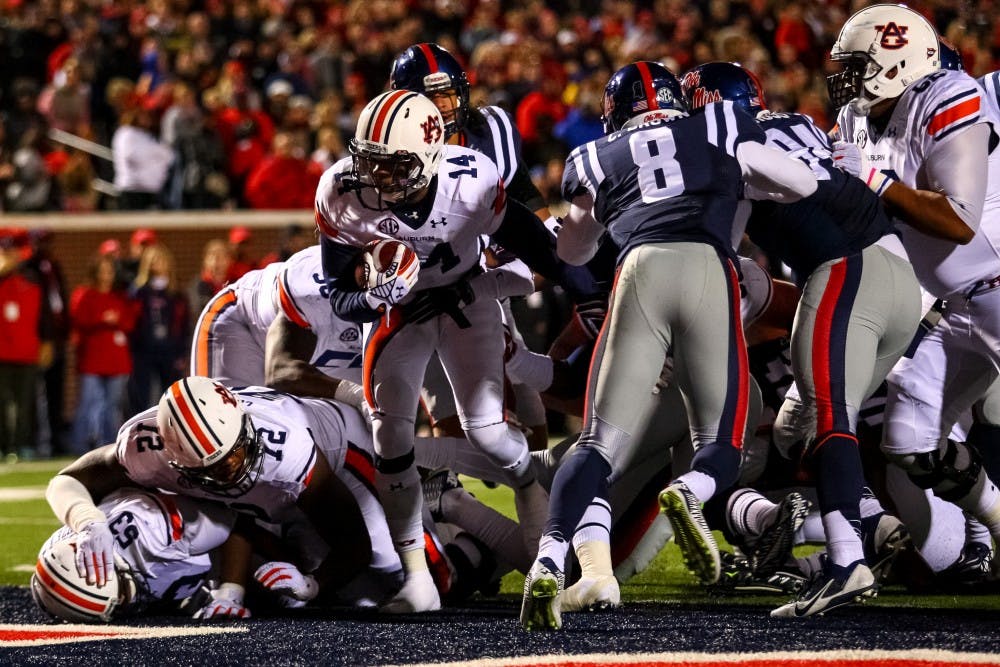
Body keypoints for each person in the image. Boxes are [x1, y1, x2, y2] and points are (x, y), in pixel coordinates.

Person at [519, 61, 817, 631]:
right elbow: (800, 183)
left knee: (597, 443)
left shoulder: (591, 156)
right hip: (710, 267)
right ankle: (689, 489)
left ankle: (549, 559)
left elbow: (575, 254)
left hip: (638, 271)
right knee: (721, 443)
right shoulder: (720, 125)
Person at [681, 61, 922, 617]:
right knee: (816, 418)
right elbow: (843, 165)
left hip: (845, 268)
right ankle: (859, 538)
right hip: (899, 277)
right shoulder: (799, 123)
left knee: (829, 414)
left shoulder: (730, 143)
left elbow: (767, 204)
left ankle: (845, 563)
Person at [315, 91, 555, 613]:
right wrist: (376, 296)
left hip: (468, 299)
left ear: (426, 158)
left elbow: (535, 253)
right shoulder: (341, 190)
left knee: (489, 434)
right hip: (402, 312)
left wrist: (587, 293)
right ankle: (418, 580)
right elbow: (338, 293)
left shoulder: (472, 179)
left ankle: (531, 479)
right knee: (390, 436)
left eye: (391, 166)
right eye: (369, 162)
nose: (375, 178)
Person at [829, 3, 1000, 587]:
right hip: (956, 305)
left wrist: (875, 182)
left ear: (895, 65)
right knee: (908, 438)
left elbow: (957, 220)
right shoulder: (863, 120)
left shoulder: (948, 95)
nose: (845, 81)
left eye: (857, 66)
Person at [44, 377, 392, 618]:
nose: (239, 465)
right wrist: (87, 521)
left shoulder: (285, 452)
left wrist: (315, 585)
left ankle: (436, 503)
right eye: (222, 466)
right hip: (270, 501)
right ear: (176, 460)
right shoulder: (145, 446)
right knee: (279, 591)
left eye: (237, 451)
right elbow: (67, 480)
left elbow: (354, 544)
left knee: (387, 569)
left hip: (343, 450)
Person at [32, 488, 237, 622]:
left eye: (122, 593)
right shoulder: (55, 555)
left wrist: (231, 588)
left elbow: (237, 515)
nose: (125, 601)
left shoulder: (155, 533)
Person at [69, 253, 135, 454]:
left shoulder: (119, 297)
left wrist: (114, 321)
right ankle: (80, 445)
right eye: (103, 271)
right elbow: (78, 320)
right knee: (89, 404)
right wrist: (102, 319)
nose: (107, 275)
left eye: (110, 271)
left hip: (117, 361)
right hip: (92, 359)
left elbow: (130, 323)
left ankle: (108, 447)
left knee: (112, 407)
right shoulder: (84, 294)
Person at [0, 229, 52, 462]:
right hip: (2, 351)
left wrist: (47, 342)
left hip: (26, 350)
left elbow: (44, 315)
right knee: (2, 403)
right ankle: (3, 446)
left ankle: (22, 445)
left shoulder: (33, 277)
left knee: (25, 404)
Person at [126, 244, 191, 414]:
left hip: (170, 351)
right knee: (141, 396)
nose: (158, 265)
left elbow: (184, 325)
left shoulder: (176, 293)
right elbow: (132, 322)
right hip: (143, 351)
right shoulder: (138, 291)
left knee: (171, 396)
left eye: (161, 260)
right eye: (153, 261)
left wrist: (182, 352)